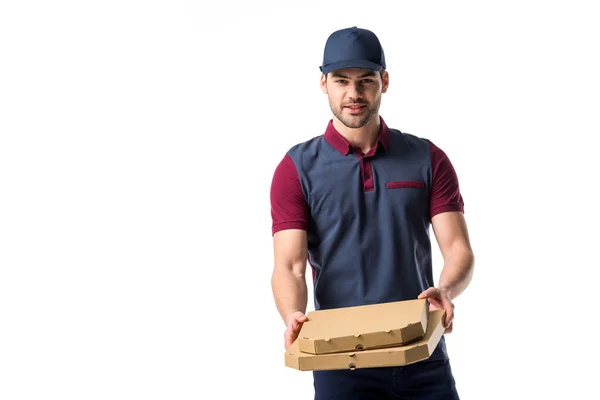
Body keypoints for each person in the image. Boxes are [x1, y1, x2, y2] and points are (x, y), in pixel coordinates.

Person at [269, 26, 475, 400]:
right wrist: (292, 314)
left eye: (366, 80)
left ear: (385, 82)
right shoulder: (295, 168)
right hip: (338, 357)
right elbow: (289, 266)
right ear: (323, 84)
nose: (354, 93)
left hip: (420, 350)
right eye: (341, 80)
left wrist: (445, 290)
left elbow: (458, 248)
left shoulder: (427, 159)